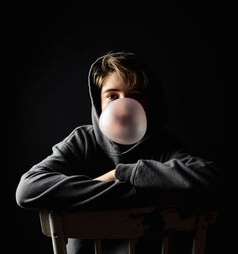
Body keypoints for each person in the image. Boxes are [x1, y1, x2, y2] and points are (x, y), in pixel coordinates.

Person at [16, 52, 225, 254]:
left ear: (149, 103)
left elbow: (215, 180)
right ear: (99, 103)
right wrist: (150, 189)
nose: (124, 107)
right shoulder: (82, 141)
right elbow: (28, 189)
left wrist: (122, 173)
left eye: (135, 96)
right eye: (112, 96)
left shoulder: (163, 146)